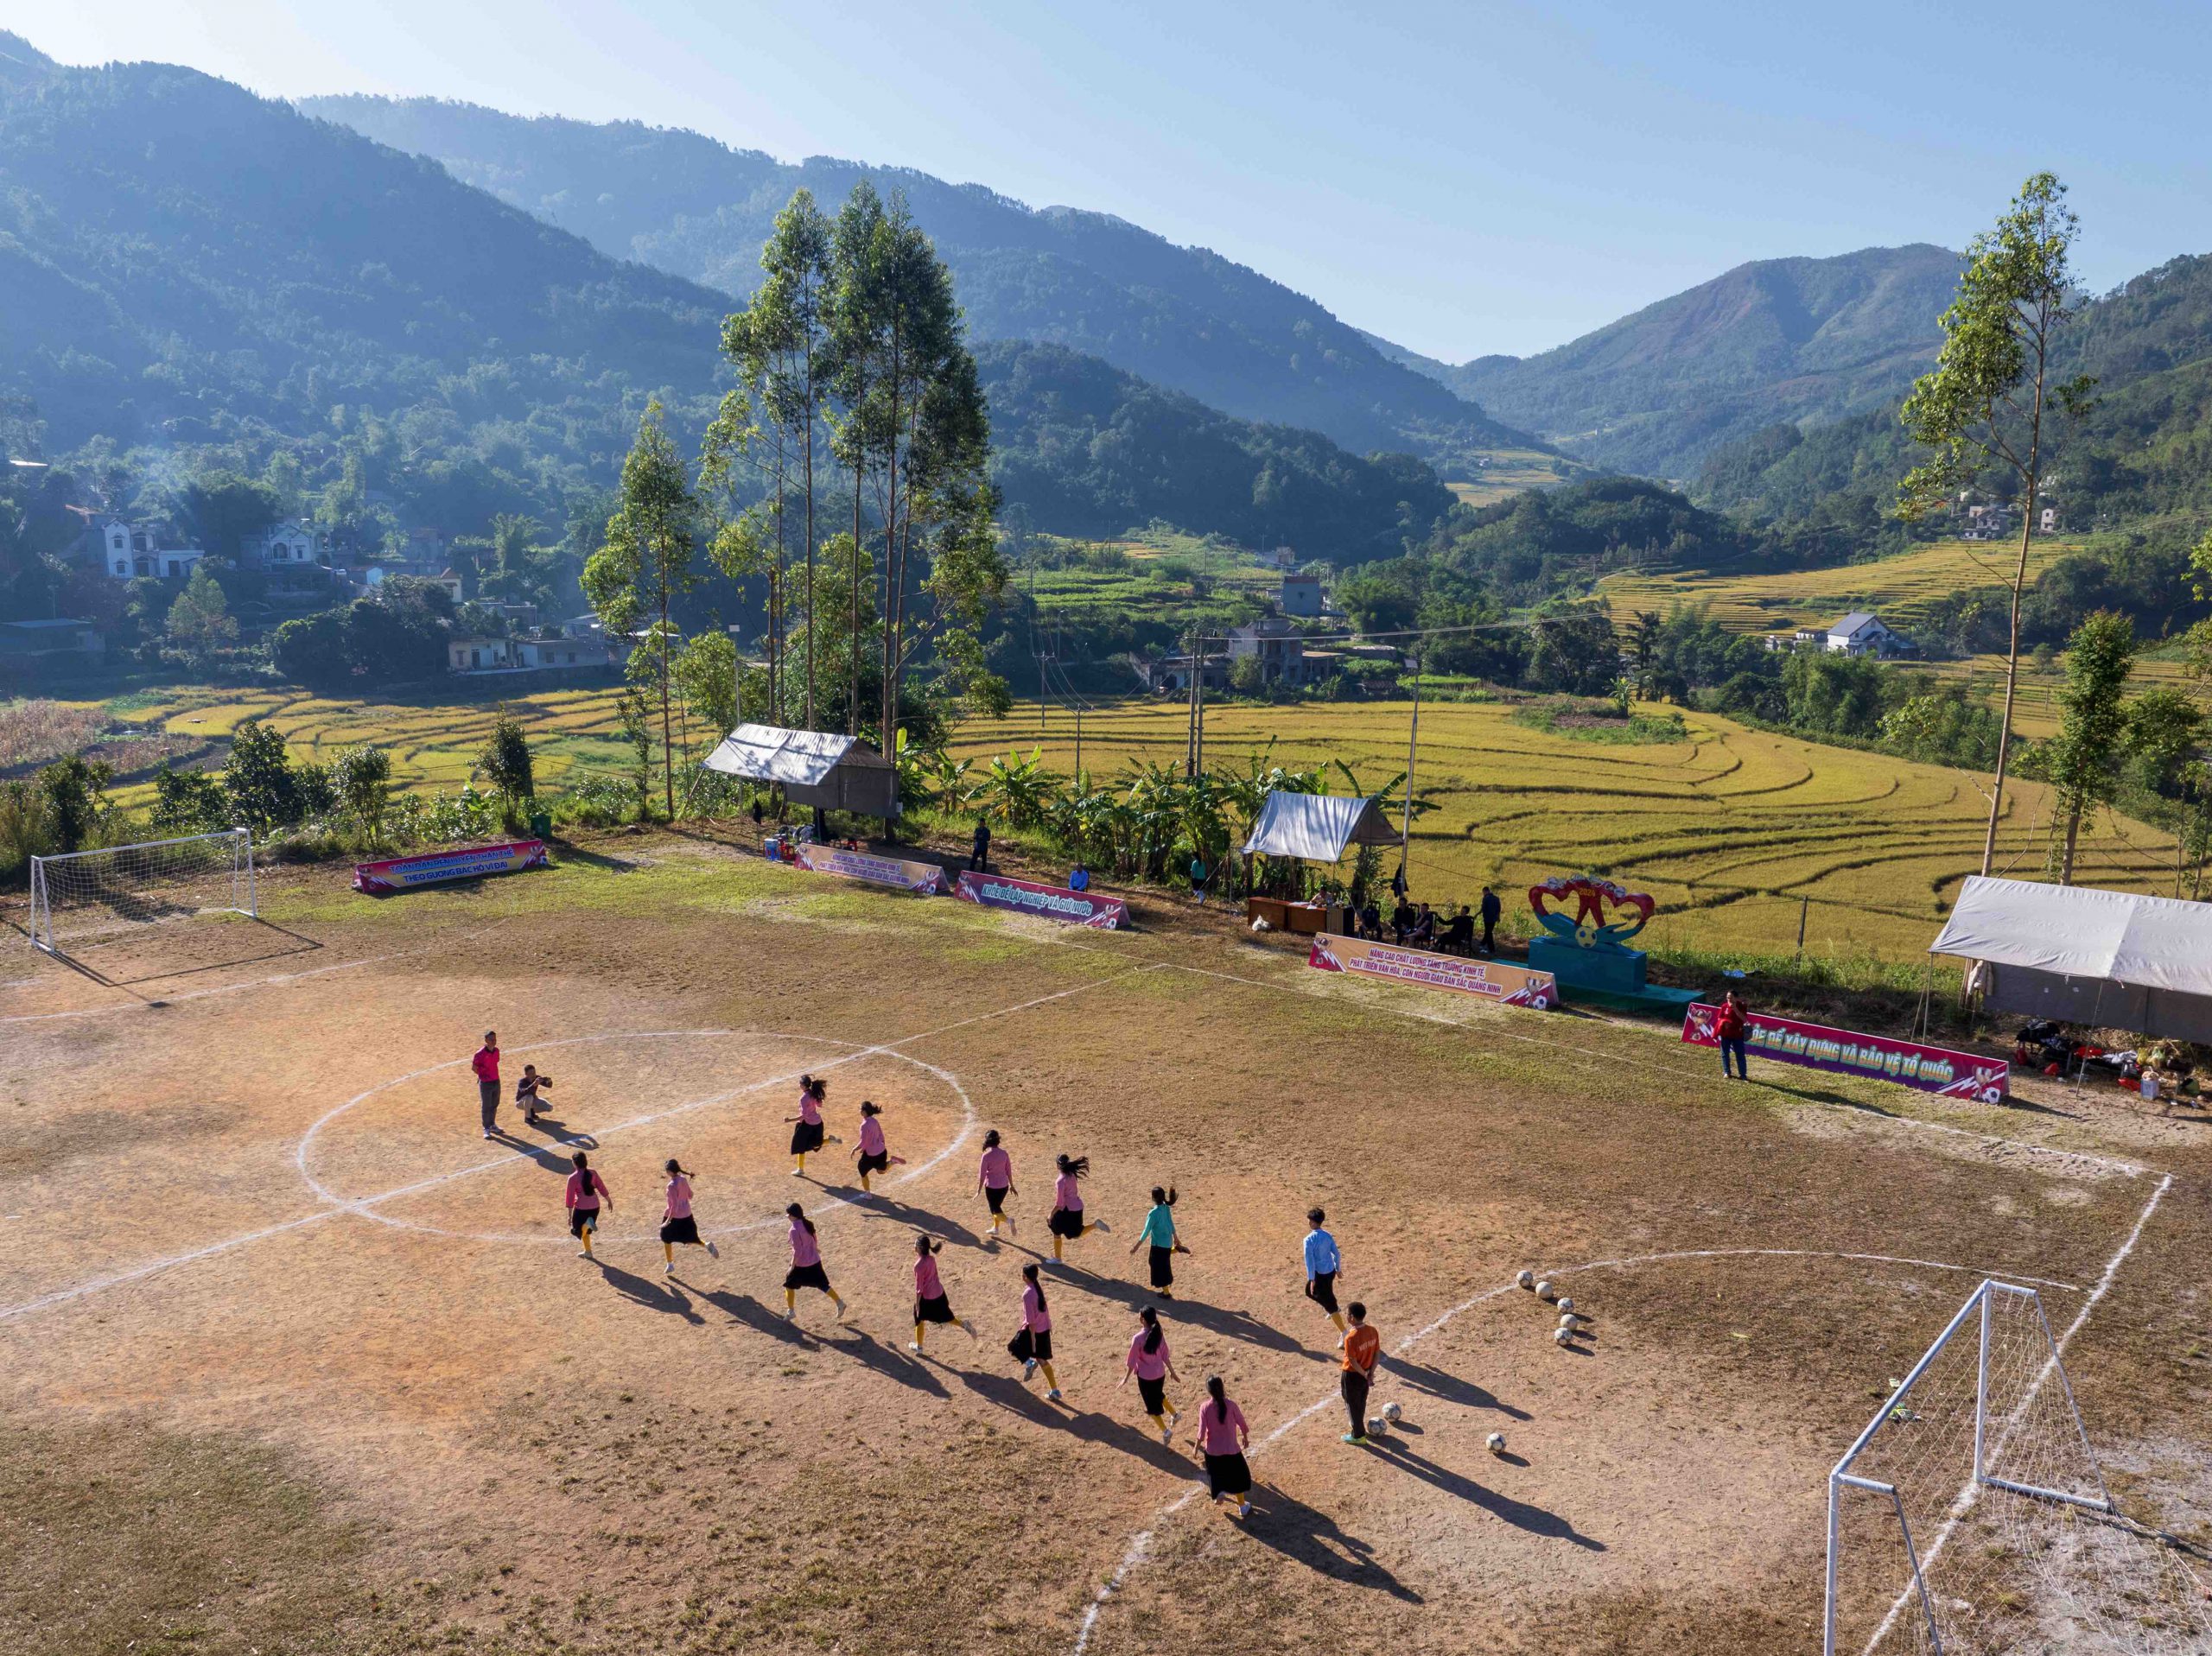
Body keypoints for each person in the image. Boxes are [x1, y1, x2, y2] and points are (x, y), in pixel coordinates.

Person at [1119, 1304, 1181, 1443]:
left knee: (1151, 1407)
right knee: (1158, 1395)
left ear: (1143, 1319)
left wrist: (1125, 1378)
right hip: (1160, 1374)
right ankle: (1175, 1414)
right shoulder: (1159, 1333)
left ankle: (1166, 1432)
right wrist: (1173, 1372)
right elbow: (1165, 1355)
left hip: (1146, 1378)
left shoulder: (1138, 1339)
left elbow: (1131, 1361)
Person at [1195, 1374, 1253, 1520]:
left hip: (1212, 1452)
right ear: (1222, 1388)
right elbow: (1242, 1424)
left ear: (1209, 1391)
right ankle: (1242, 1506)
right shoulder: (1231, 1405)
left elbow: (1201, 1432)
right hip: (1231, 1449)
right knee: (1238, 1477)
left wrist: (1196, 1448)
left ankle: (1219, 1493)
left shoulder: (1204, 1407)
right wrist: (1245, 1439)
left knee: (1216, 1475)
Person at [782, 1202, 847, 1322]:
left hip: (801, 1264)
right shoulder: (808, 1224)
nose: (788, 1217)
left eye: (789, 1215)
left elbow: (797, 1251)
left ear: (794, 1215)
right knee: (823, 1285)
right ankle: (839, 1303)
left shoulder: (793, 1230)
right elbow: (814, 1239)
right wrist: (815, 1248)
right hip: (815, 1260)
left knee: (789, 1285)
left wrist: (792, 1266)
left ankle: (791, 1311)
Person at [910, 1233, 972, 1353]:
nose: (914, 1246)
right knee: (947, 1316)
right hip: (939, 1293)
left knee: (919, 1318)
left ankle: (919, 1347)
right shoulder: (932, 1259)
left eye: (915, 1244)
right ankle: (963, 1325)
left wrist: (917, 1304)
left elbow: (919, 1288)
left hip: (927, 1297)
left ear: (920, 1248)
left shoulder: (918, 1265)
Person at [1010, 1262, 1062, 1401]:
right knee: (1042, 1359)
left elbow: (1031, 1320)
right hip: (1044, 1328)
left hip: (1034, 1330)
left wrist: (1032, 1339)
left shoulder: (1027, 1294)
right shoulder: (1037, 1288)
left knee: (1013, 1347)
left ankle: (1029, 1363)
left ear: (1025, 1277)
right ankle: (1055, 1390)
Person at [1047, 1152, 1109, 1262]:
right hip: (1078, 1207)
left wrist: (1050, 1214)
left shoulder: (1060, 1181)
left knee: (1054, 1227)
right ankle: (1095, 1225)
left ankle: (1058, 1258)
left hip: (1066, 1210)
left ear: (1058, 1165)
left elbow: (1060, 1203)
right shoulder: (1072, 1174)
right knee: (1076, 1233)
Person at [659, 1158, 719, 1273]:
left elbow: (674, 1207)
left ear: (670, 1172)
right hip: (687, 1214)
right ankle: (706, 1245)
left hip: (674, 1216)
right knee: (691, 1237)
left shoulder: (671, 1186)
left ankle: (670, 1264)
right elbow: (690, 1195)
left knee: (666, 1237)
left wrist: (667, 1221)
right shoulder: (683, 1179)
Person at [1128, 1185, 1186, 1298]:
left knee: (1157, 1266)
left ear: (1153, 1198)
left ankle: (1166, 1293)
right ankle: (1176, 1249)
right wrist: (1176, 1238)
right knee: (1163, 1261)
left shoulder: (1153, 1213)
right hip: (1167, 1242)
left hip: (1158, 1244)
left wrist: (1136, 1246)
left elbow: (1146, 1231)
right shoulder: (1166, 1208)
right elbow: (1170, 1223)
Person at [1303, 1207, 1347, 1344]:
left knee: (1323, 1299)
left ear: (1312, 1222)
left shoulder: (1308, 1240)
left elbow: (1309, 1261)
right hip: (1330, 1271)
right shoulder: (1328, 1235)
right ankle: (1332, 1307)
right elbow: (1336, 1253)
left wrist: (1312, 1279)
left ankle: (1344, 1332)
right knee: (1318, 1292)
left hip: (1319, 1275)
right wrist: (1338, 1268)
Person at [1341, 1300, 1380, 1445]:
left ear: (1352, 1317)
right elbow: (1377, 1354)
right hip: (1367, 1372)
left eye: (1347, 1314)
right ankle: (1359, 1425)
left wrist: (1364, 1374)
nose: (1346, 1316)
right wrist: (1370, 1373)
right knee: (1361, 1401)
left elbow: (1352, 1361)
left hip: (1352, 1375)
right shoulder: (1373, 1331)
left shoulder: (1350, 1338)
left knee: (1351, 1403)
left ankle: (1358, 1435)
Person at [565, 1150, 611, 1260]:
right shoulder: (593, 1173)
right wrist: (609, 1200)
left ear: (575, 1163)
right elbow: (601, 1187)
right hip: (595, 1207)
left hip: (582, 1209)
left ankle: (588, 1224)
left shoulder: (572, 1178)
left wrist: (569, 1216)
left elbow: (570, 1198)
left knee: (577, 1231)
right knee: (585, 1232)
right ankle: (588, 1252)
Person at [852, 1101, 906, 1193]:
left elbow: (863, 1142)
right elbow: (881, 1134)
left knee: (862, 1171)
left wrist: (855, 1149)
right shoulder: (875, 1121)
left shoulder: (864, 1125)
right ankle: (892, 1161)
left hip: (870, 1155)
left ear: (864, 1112)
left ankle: (868, 1194)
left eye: (860, 1109)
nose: (859, 1110)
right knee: (881, 1171)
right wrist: (882, 1145)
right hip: (881, 1151)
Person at [976, 1129, 1017, 1240]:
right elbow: (1009, 1171)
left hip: (991, 1188)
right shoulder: (1004, 1153)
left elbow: (982, 1175)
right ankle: (996, 1228)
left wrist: (978, 1190)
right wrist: (1012, 1185)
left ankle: (1009, 1221)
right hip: (1004, 1187)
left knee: (994, 1210)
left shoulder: (986, 1156)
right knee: (997, 1208)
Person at [787, 1076, 828, 1176]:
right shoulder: (813, 1093)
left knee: (800, 1145)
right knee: (816, 1143)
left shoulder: (803, 1098)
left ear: (804, 1085)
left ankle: (800, 1169)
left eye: (800, 1083)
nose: (799, 1085)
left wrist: (789, 1120)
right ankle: (830, 1141)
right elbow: (820, 1105)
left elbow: (804, 1116)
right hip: (818, 1122)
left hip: (806, 1124)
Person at [472, 1031, 501, 1139]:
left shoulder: (496, 1051)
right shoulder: (479, 1054)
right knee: (486, 1106)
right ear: (486, 1040)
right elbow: (474, 1068)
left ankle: (492, 1124)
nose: (494, 1041)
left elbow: (494, 1065)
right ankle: (486, 1128)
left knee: (495, 1104)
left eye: (495, 1039)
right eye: (491, 1039)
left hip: (496, 1081)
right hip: (485, 1083)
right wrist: (482, 1076)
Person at [1716, 991, 1751, 1080]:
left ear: (1736, 998)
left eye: (1731, 997)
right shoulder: (1724, 1006)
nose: (1729, 999)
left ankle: (1743, 1075)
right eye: (1727, 997)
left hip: (1738, 1034)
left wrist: (1735, 1009)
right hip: (1726, 1034)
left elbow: (1744, 1019)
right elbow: (1719, 1018)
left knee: (1740, 1055)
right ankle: (1727, 1072)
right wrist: (1723, 1023)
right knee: (1725, 1054)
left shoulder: (1742, 1006)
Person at [513, 1063, 552, 1128]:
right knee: (529, 1097)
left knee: (549, 1107)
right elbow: (524, 1091)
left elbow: (549, 1085)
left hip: (531, 1100)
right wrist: (534, 1084)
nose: (533, 1075)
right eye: (531, 1073)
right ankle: (527, 1118)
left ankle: (532, 1112)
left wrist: (546, 1080)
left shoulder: (536, 1078)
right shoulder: (522, 1081)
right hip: (520, 1103)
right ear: (526, 1074)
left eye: (534, 1072)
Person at [1479, 886, 1503, 955]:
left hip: (1487, 918)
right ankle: (1482, 943)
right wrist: (1498, 917)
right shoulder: (1496, 898)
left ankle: (1491, 949)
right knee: (1488, 931)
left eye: (1483, 892)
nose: (1483, 894)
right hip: (1494, 919)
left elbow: (1483, 908)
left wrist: (1478, 914)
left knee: (1489, 933)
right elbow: (1499, 909)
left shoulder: (1485, 898)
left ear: (1485, 891)